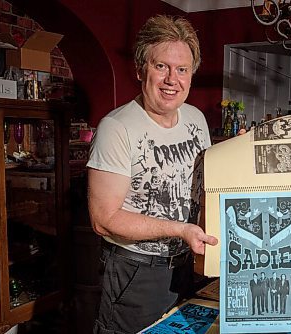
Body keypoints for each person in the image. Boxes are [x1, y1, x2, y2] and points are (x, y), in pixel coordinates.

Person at [87, 14, 219, 334]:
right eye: (161, 66)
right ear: (140, 70)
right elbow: (103, 219)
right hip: (136, 275)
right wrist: (180, 229)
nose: (172, 79)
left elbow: (205, 187)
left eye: (182, 69)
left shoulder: (196, 120)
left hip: (189, 267)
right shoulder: (116, 128)